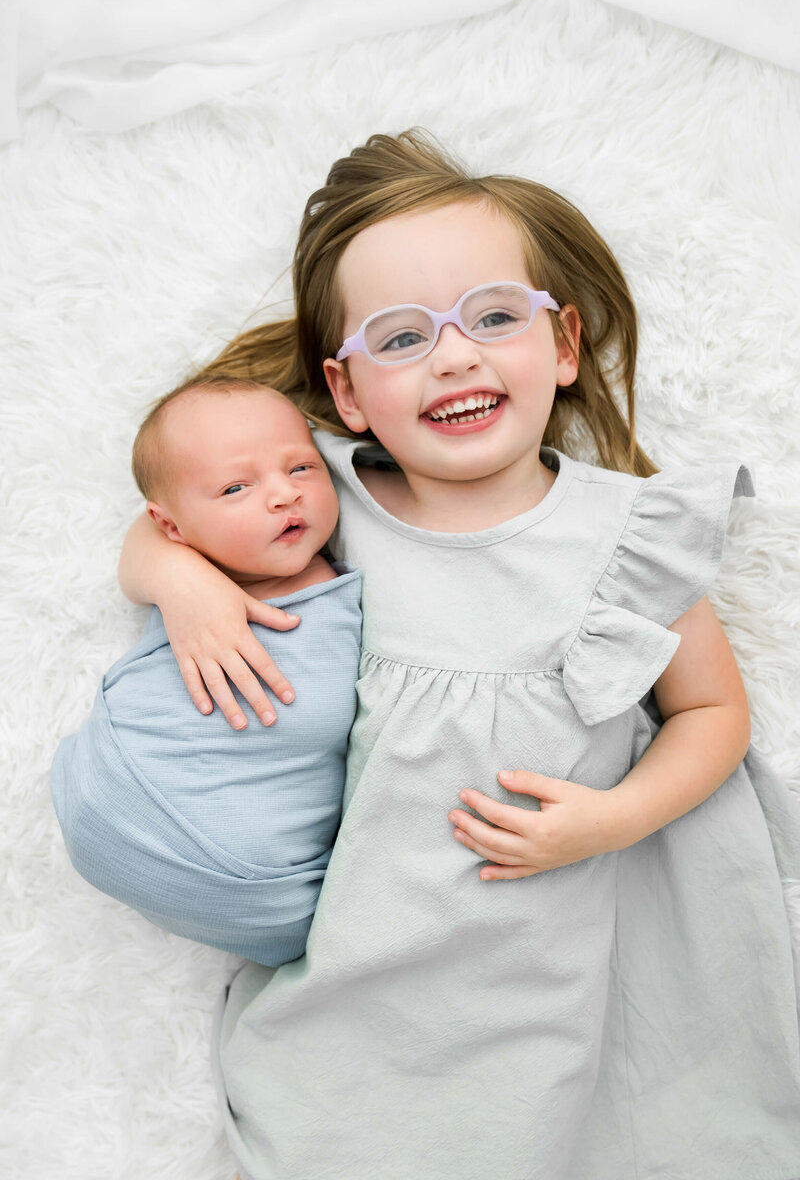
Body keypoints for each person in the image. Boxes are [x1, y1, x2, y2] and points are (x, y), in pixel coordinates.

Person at [118, 130, 800, 1179]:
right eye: (400, 338)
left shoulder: (624, 537)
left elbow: (713, 714)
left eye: (492, 318)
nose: (453, 355)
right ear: (346, 397)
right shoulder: (323, 502)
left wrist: (609, 819)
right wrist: (182, 587)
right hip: (393, 948)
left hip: (580, 927)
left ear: (562, 347)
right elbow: (164, 523)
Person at [51, 376, 361, 966]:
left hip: (234, 860)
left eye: (300, 469)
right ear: (172, 526)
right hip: (120, 785)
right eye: (236, 487)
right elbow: (139, 555)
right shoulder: (191, 565)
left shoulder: (352, 558)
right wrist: (179, 579)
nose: (282, 496)